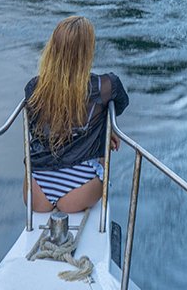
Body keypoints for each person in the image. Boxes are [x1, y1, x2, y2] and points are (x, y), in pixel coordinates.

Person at [23, 15, 129, 213]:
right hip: (80, 188)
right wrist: (107, 130)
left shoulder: (34, 88)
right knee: (101, 136)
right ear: (87, 52)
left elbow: (35, 124)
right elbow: (122, 104)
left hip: (36, 190)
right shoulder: (106, 86)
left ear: (52, 48)